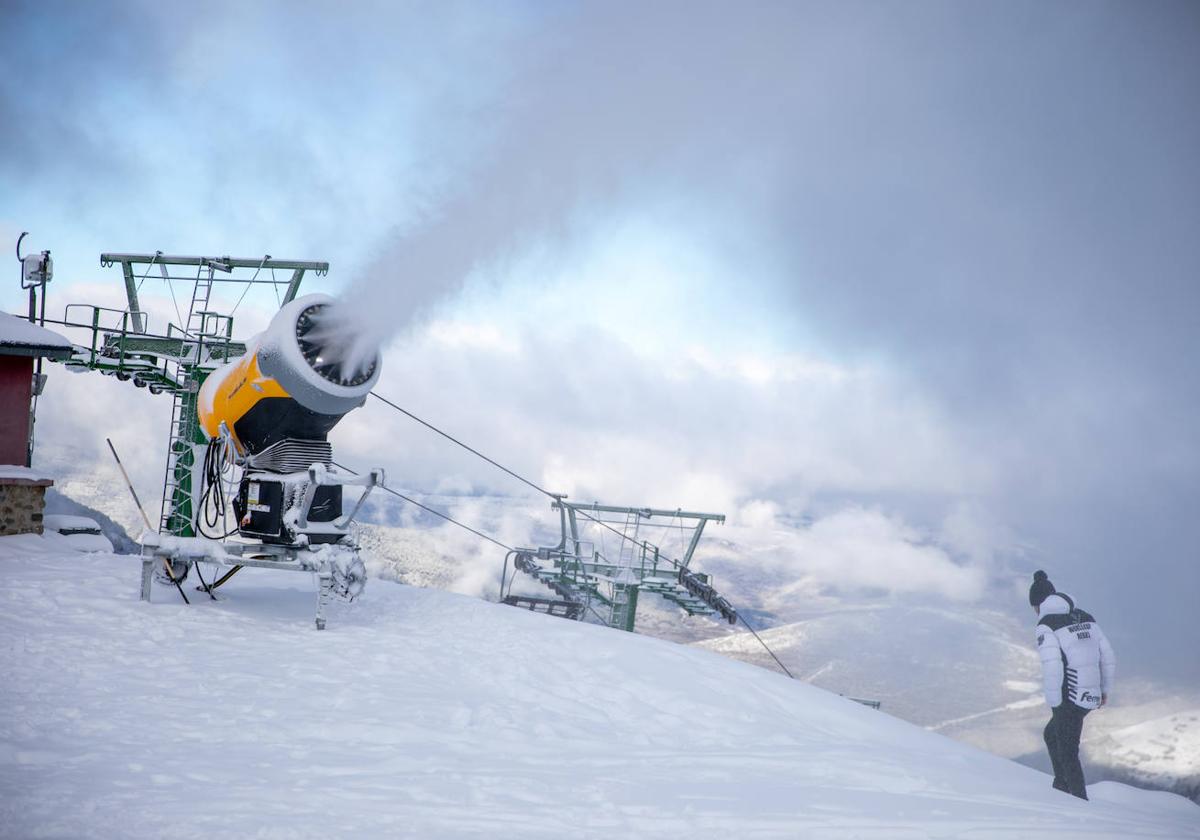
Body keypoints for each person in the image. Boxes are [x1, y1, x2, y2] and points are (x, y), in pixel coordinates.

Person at [1029, 569, 1116, 800]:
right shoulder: (1085, 616)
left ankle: (1077, 800)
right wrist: (1104, 690)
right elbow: (1107, 656)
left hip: (1069, 695)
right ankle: (1062, 785)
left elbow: (1052, 665)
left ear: (1038, 604)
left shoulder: (1047, 625)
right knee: (1051, 734)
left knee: (1068, 750)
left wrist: (1055, 702)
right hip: (1091, 693)